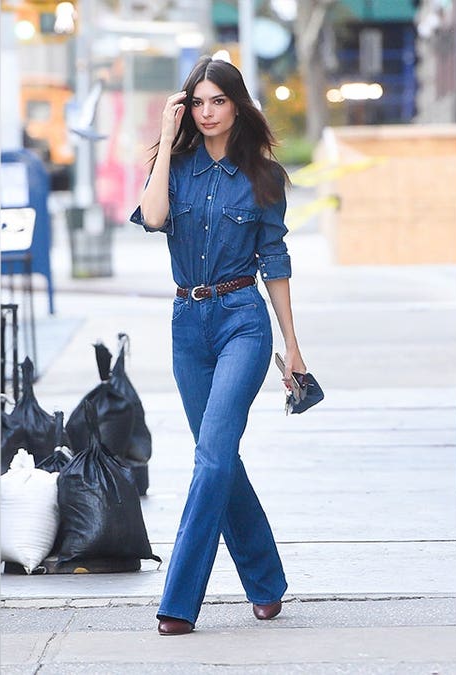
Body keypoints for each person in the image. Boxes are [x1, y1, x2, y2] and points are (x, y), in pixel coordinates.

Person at [130, 55, 307, 636]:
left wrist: (294, 350)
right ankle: (266, 583)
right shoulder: (173, 168)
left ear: (237, 106)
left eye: (218, 101)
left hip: (242, 323)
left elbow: (275, 264)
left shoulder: (262, 176)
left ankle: (179, 601)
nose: (207, 113)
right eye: (198, 102)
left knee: (209, 459)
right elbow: (154, 218)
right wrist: (163, 136)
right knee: (220, 457)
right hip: (188, 324)